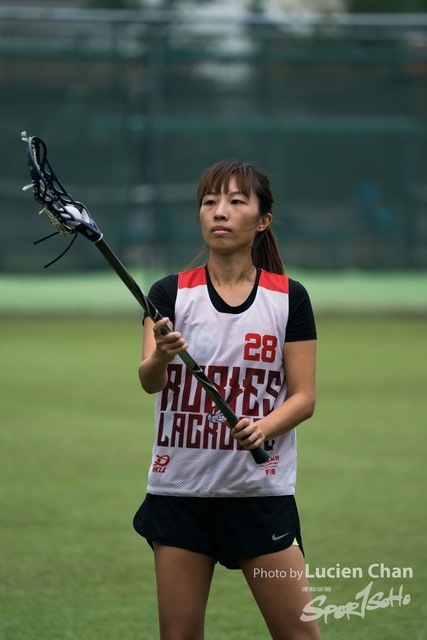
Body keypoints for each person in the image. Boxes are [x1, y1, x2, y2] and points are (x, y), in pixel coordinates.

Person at [134, 160, 322, 640]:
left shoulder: (288, 298)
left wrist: (265, 427)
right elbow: (149, 381)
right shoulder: (169, 293)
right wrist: (164, 356)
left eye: (237, 201)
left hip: (259, 493)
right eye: (210, 202)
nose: (220, 212)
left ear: (262, 221)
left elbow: (303, 397)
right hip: (180, 491)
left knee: (299, 635)